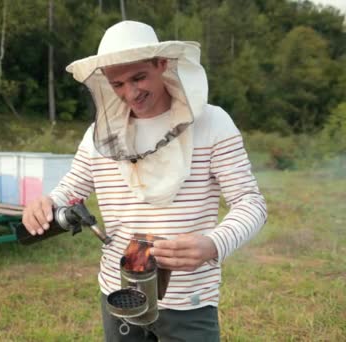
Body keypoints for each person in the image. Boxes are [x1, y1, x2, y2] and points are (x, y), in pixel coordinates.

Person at [21, 21, 268, 341]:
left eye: (139, 77)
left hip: (187, 302)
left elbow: (251, 203)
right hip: (118, 295)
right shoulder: (99, 135)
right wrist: (48, 203)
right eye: (117, 84)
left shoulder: (212, 123)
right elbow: (72, 189)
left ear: (161, 64)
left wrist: (213, 244)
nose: (130, 93)